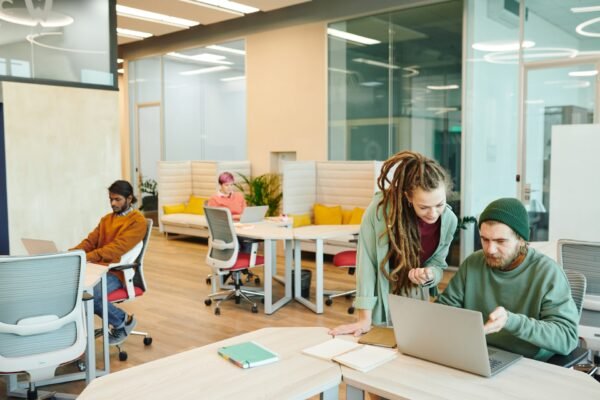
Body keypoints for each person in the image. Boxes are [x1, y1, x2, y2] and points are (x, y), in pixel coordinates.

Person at [330, 151, 458, 336]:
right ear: (408, 197)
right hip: (382, 291)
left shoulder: (449, 220)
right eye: (424, 207)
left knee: (414, 344)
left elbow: (438, 264)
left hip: (416, 293)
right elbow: (367, 264)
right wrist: (364, 318)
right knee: (379, 344)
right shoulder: (380, 212)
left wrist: (429, 275)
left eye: (439, 204)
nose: (433, 214)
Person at [437, 198, 579, 360]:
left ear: (521, 240)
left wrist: (511, 322)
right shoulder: (473, 263)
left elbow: (567, 338)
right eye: (485, 239)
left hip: (527, 362)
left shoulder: (548, 273)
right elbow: (444, 311)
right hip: (478, 353)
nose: (490, 250)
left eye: (500, 241)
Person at [72, 180, 147, 346]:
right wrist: (72, 254)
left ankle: (123, 321)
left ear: (129, 198)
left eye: (117, 199)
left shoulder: (137, 221)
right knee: (72, 291)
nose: (113, 203)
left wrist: (87, 257)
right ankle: (76, 338)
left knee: (91, 295)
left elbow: (115, 249)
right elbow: (89, 242)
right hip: (96, 268)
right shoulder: (106, 219)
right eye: (111, 199)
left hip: (116, 271)